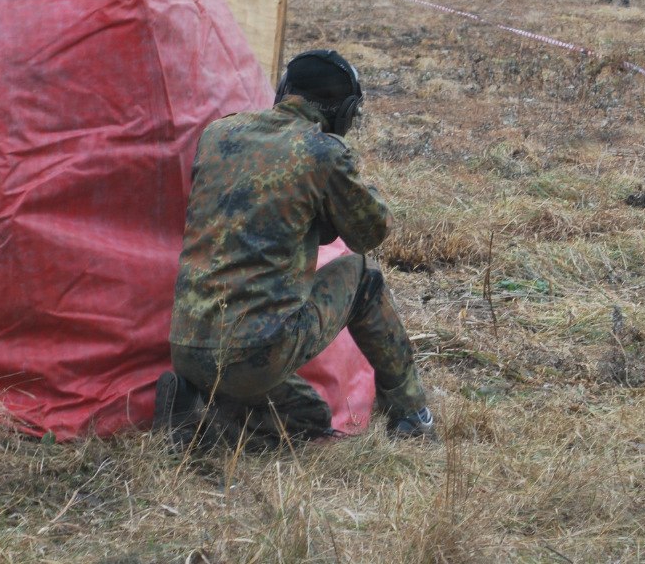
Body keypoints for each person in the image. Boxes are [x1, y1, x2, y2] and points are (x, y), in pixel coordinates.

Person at [155, 49, 435, 447]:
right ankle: (411, 414)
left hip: (186, 345)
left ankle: (196, 407)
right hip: (255, 353)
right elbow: (370, 233)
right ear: (346, 112)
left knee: (310, 416)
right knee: (364, 276)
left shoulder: (217, 134)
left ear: (285, 89)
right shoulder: (323, 152)